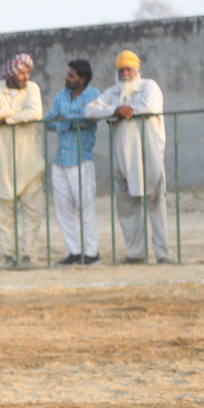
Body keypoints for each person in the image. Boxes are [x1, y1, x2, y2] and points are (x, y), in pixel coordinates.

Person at [85, 50, 171, 264]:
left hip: (149, 155)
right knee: (127, 207)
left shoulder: (149, 87)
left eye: (129, 70)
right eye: (121, 70)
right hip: (121, 158)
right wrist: (115, 110)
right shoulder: (113, 93)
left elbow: (150, 106)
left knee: (156, 204)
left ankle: (163, 254)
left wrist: (121, 112)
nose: (125, 74)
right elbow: (90, 110)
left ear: (137, 70)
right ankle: (136, 254)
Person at [0, 53, 44, 269]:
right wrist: (18, 112)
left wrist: (6, 119)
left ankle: (29, 256)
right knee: (4, 217)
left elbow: (35, 113)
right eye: (22, 73)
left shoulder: (32, 89)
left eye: (28, 72)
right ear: (10, 75)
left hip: (30, 163)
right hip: (3, 163)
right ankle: (8, 256)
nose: (27, 77)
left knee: (32, 214)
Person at [46, 59, 101, 266]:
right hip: (60, 160)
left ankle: (92, 252)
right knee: (62, 209)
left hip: (80, 159)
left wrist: (65, 120)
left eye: (71, 75)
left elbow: (86, 119)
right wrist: (68, 121)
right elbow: (49, 122)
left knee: (86, 207)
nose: (66, 78)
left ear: (82, 79)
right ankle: (74, 251)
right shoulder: (61, 96)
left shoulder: (93, 95)